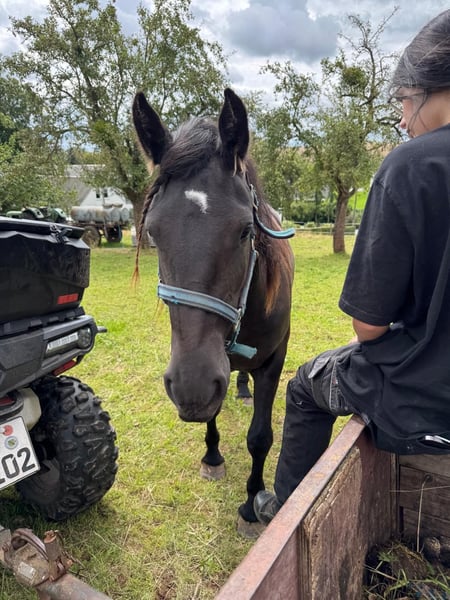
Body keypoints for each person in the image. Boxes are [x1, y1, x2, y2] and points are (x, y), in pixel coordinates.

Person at [254, 9, 450, 525]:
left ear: (428, 87)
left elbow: (368, 327)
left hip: (427, 399)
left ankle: (284, 515)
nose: (403, 120)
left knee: (304, 385)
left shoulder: (409, 167)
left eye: (403, 101)